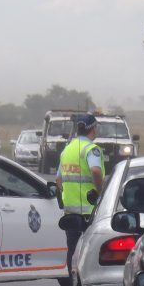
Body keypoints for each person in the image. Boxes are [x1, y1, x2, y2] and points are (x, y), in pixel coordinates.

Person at [56, 113, 105, 269]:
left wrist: (68, 195)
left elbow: (58, 179)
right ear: (93, 129)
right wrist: (101, 191)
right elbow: (96, 171)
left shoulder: (67, 150)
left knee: (72, 251)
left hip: (70, 213)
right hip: (89, 212)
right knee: (89, 254)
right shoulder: (91, 149)